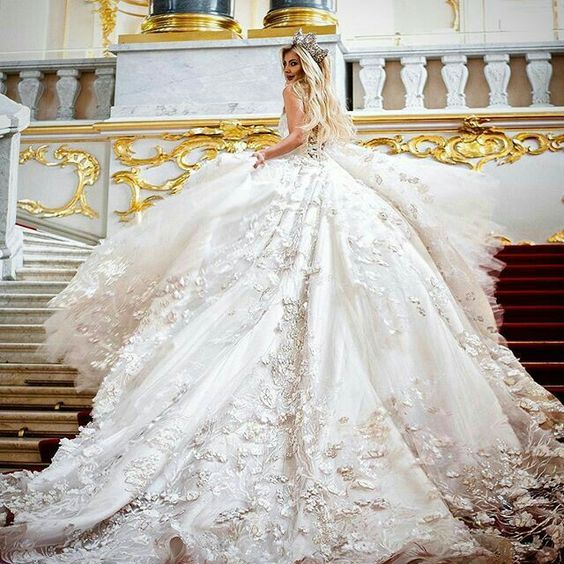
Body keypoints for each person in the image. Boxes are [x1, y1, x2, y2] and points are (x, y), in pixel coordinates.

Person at [1, 29, 563, 564]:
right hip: (331, 181)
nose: (290, 72)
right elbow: (322, 136)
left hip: (300, 178)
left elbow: (296, 138)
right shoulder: (325, 94)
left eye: (295, 64)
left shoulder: (295, 93)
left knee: (271, 268)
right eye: (287, 65)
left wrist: (261, 157)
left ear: (306, 68)